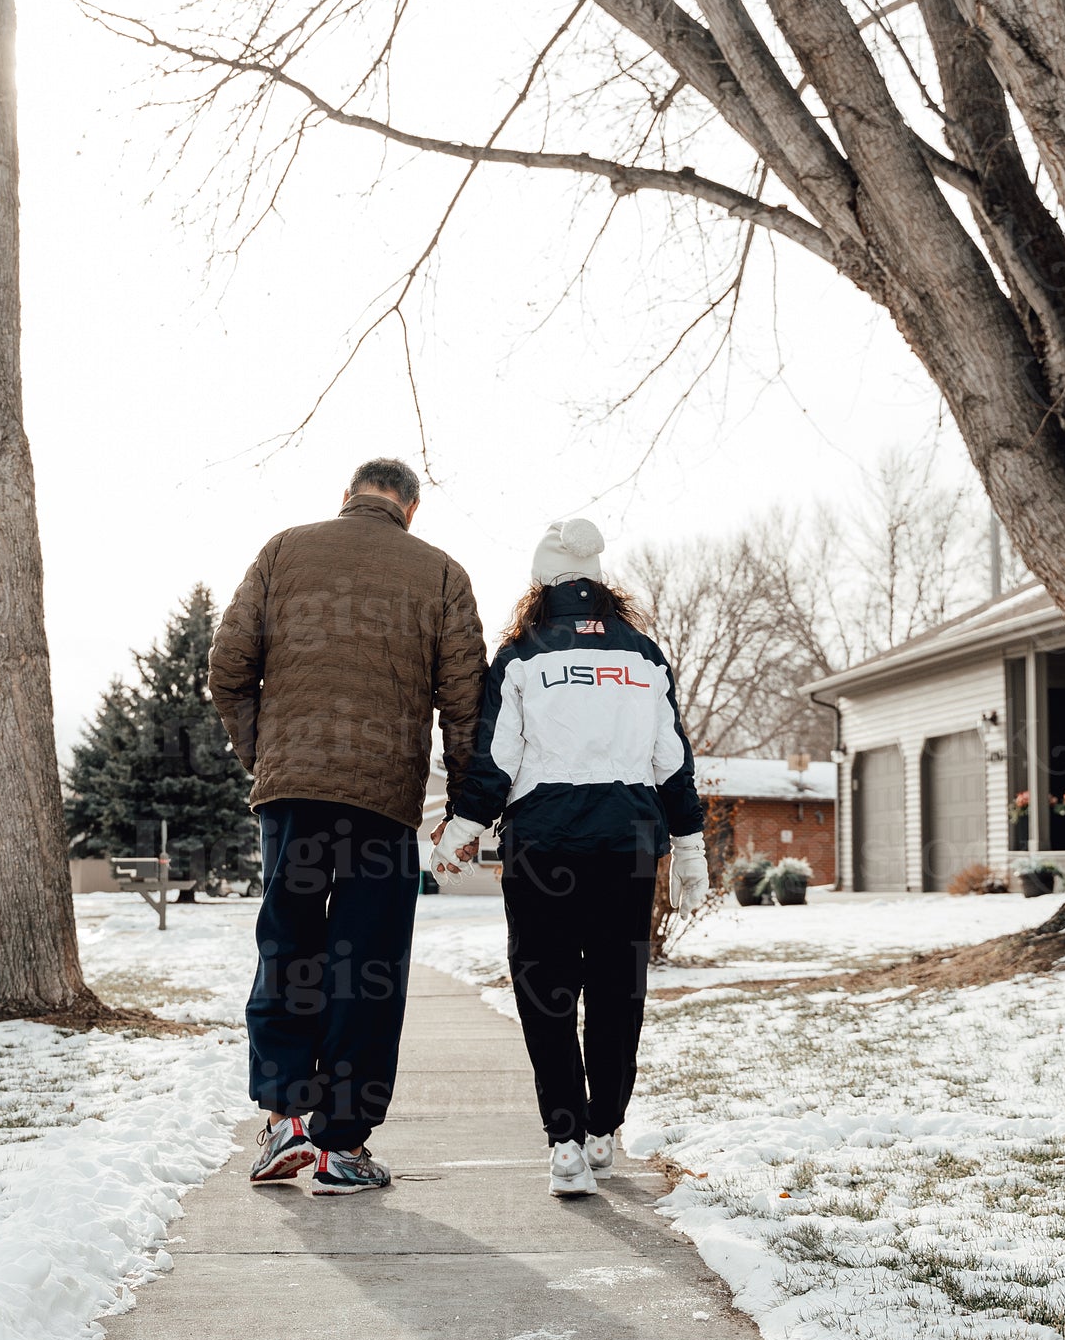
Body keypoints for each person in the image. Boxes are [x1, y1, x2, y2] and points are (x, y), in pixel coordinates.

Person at [209, 458, 486, 1195]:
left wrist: (265, 758)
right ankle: (340, 1148)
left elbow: (228, 669)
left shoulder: (283, 549)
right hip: (383, 802)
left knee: (289, 946)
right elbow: (465, 707)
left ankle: (283, 1122)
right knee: (367, 968)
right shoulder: (442, 574)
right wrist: (464, 808)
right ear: (411, 509)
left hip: (292, 797)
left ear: (347, 497)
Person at [433, 517, 707, 1197]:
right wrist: (690, 845)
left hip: (544, 842)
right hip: (627, 839)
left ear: (541, 583)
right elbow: (671, 761)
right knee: (618, 988)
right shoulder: (642, 655)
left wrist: (462, 826)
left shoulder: (523, 656)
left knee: (546, 991)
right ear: (598, 582)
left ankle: (564, 1143)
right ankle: (604, 1128)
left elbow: (500, 761)